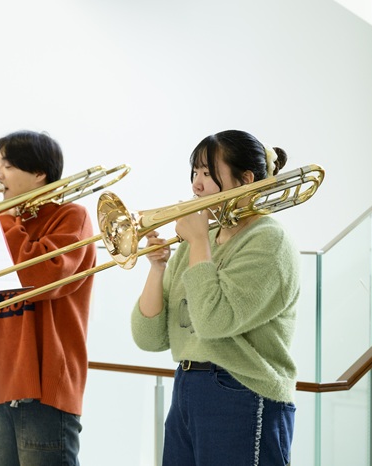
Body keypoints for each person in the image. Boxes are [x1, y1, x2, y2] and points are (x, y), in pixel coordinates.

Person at [131, 129, 299, 465]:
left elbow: (214, 320)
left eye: (208, 173)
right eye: (195, 172)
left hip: (242, 390)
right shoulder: (200, 241)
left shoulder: (268, 240)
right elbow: (149, 338)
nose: (196, 185)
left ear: (245, 179)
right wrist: (157, 268)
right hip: (188, 385)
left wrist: (197, 244)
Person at [0, 130, 97, 466]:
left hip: (47, 392)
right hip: (3, 387)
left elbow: (41, 275)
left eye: (7, 164)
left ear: (38, 173)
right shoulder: (7, 225)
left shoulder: (71, 217)